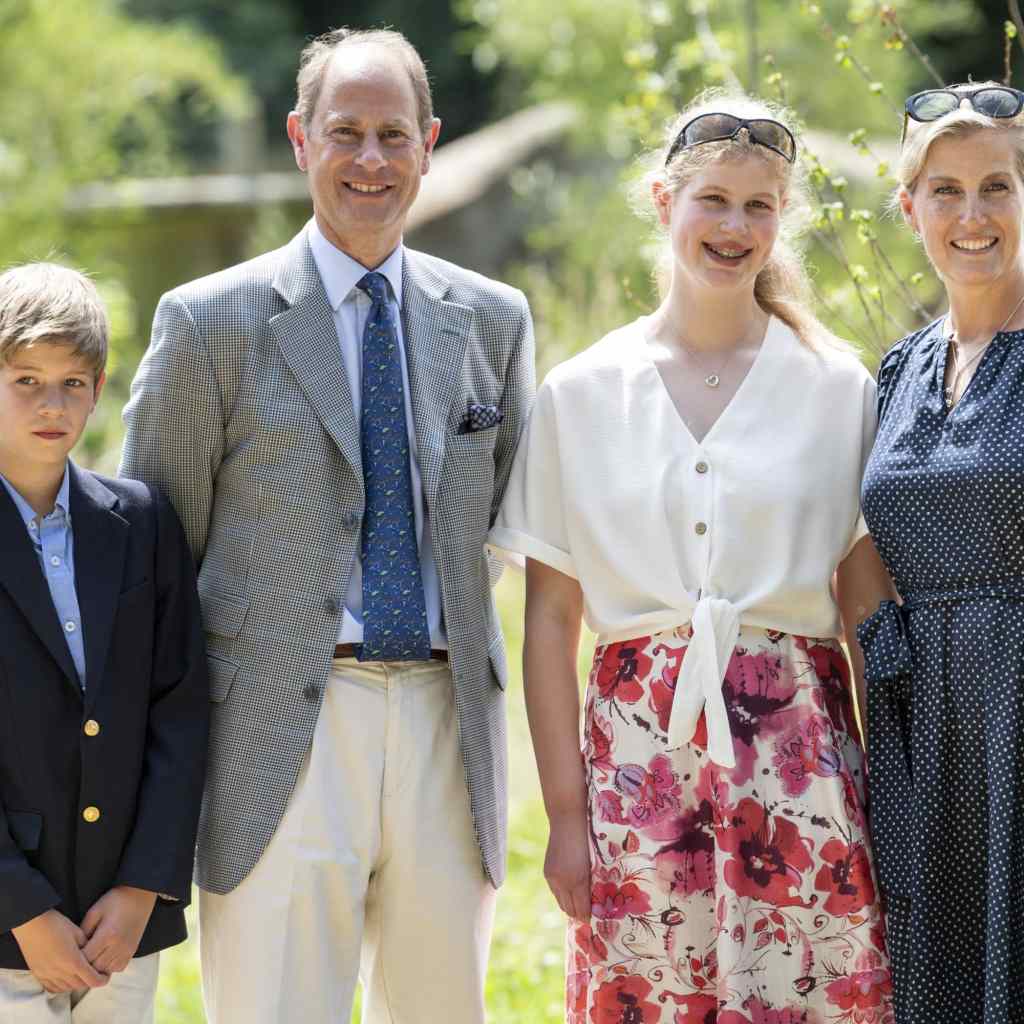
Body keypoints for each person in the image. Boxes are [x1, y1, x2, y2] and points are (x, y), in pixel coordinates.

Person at [120, 27, 535, 1024]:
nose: (370, 159)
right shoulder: (207, 322)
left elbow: (501, 522)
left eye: (393, 135)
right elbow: (152, 563)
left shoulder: (494, 319)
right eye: (345, 132)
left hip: (447, 726)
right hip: (275, 735)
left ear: (430, 143)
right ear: (301, 139)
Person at [490, 90, 895, 1022]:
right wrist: (565, 819)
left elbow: (865, 610)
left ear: (782, 219)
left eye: (759, 206)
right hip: (636, 768)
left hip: (803, 764)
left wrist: (885, 795)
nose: (734, 227)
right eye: (713, 200)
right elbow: (550, 622)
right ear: (663, 200)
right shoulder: (581, 392)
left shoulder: (837, 386)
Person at [0, 263, 209, 1023]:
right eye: (26, 380)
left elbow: (180, 710)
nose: (52, 404)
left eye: (73, 383)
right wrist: (22, 909)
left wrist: (141, 886)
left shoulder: (142, 521)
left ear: (98, 387)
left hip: (120, 921)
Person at [859, 81, 1024, 1023]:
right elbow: (860, 542)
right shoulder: (900, 366)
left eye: (996, 187)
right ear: (909, 207)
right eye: (946, 191)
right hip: (919, 713)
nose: (972, 216)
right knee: (940, 969)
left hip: (1016, 696)